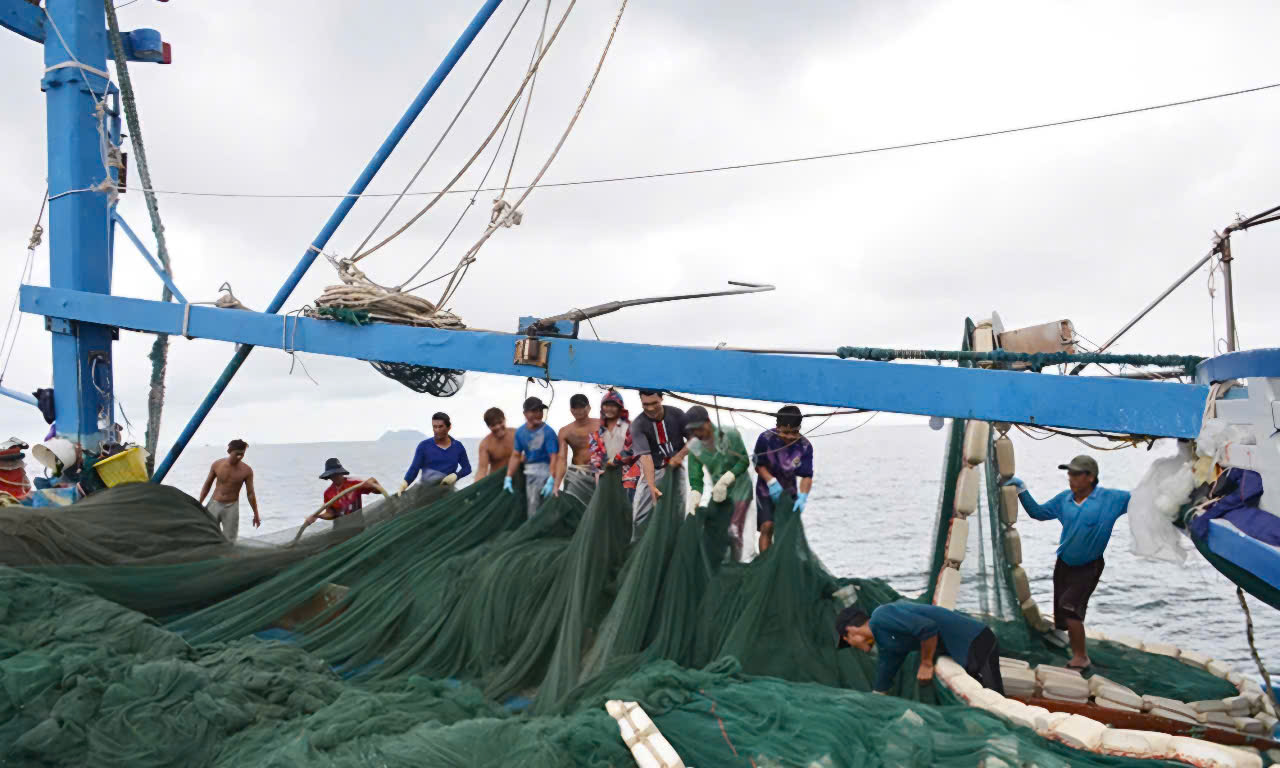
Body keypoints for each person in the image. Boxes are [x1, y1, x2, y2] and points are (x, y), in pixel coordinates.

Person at [1005, 455, 1130, 672]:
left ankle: (1081, 658)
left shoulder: (1111, 499)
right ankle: (1069, 642)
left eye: (1076, 474)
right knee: (1062, 614)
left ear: (1090, 477)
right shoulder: (1065, 499)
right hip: (1063, 564)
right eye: (1069, 473)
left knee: (1070, 608)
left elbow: (1144, 499)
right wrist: (1021, 490)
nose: (1070, 478)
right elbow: (1038, 513)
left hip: (1089, 566)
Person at [836, 601, 1004, 696]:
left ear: (849, 632)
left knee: (994, 695)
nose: (853, 646)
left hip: (976, 639)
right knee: (985, 695)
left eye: (848, 641)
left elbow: (927, 628)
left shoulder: (880, 616)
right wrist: (876, 698)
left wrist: (926, 663)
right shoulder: (886, 642)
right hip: (967, 650)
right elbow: (885, 673)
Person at [683, 405, 754, 561]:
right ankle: (719, 565)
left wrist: (726, 479)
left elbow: (744, 461)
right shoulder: (695, 446)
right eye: (693, 430)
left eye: (700, 428)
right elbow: (696, 477)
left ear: (708, 422)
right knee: (716, 531)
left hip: (740, 489)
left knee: (734, 530)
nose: (698, 433)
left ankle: (734, 566)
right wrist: (695, 494)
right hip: (719, 493)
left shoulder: (730, 434)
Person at [752, 405, 813, 552]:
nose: (789, 437)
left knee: (785, 532)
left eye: (794, 432)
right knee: (767, 526)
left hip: (789, 492)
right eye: (785, 432)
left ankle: (782, 561)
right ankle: (765, 561)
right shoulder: (765, 439)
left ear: (799, 428)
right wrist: (771, 481)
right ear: (777, 427)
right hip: (765, 490)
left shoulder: (805, 446)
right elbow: (758, 464)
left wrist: (803, 497)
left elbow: (806, 475)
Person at [629, 390, 689, 540]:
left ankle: (674, 546)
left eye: (654, 403)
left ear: (662, 398)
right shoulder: (638, 424)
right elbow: (646, 457)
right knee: (640, 515)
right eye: (645, 404)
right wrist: (651, 486)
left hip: (677, 469)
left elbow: (695, 439)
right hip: (653, 470)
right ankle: (637, 546)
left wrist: (679, 456)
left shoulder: (677, 414)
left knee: (678, 510)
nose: (650, 408)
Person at [505, 396, 560, 519]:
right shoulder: (520, 432)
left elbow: (554, 457)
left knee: (549, 510)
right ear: (525, 413)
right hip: (530, 475)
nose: (538, 414)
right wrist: (508, 477)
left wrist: (552, 479)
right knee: (532, 508)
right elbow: (515, 455)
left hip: (547, 473)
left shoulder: (548, 432)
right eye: (534, 411)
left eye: (540, 410)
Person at [197, 439, 261, 542]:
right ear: (229, 451)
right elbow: (207, 485)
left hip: (231, 507)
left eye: (242, 454)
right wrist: (199, 503)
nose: (239, 457)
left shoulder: (247, 471)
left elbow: (250, 494)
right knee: (208, 535)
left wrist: (256, 514)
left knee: (230, 539)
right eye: (237, 454)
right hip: (214, 504)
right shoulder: (217, 465)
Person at [308, 458, 387, 532]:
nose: (336, 476)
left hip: (358, 526)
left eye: (337, 473)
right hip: (339, 529)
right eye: (333, 474)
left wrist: (374, 483)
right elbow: (331, 514)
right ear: (329, 476)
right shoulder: (328, 493)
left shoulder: (355, 483)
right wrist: (318, 516)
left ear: (342, 472)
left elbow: (378, 491)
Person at [588, 389, 640, 500]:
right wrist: (597, 468)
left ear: (620, 407)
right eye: (606, 405)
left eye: (613, 405)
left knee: (628, 507)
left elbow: (632, 451)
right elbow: (593, 453)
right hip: (605, 477)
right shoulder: (597, 433)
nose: (609, 408)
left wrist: (614, 461)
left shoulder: (631, 428)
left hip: (629, 479)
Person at [400, 412, 471, 492]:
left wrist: (456, 475)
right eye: (435, 427)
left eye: (441, 427)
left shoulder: (457, 446)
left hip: (447, 491)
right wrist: (404, 484)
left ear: (449, 427)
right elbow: (414, 469)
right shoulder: (424, 446)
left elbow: (467, 468)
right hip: (425, 491)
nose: (437, 430)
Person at [557, 393, 601, 503]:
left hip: (600, 472)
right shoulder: (565, 431)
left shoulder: (601, 425)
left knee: (600, 507)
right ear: (571, 410)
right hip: (577, 473)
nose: (579, 410)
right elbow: (561, 460)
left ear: (589, 407)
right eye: (575, 408)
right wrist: (556, 484)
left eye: (582, 407)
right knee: (574, 505)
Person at [475, 407, 515, 481]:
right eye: (493, 425)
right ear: (488, 426)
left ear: (505, 419)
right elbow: (482, 470)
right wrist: (476, 486)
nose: (498, 427)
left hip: (517, 476)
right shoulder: (485, 445)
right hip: (498, 481)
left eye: (500, 422)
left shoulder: (516, 434)